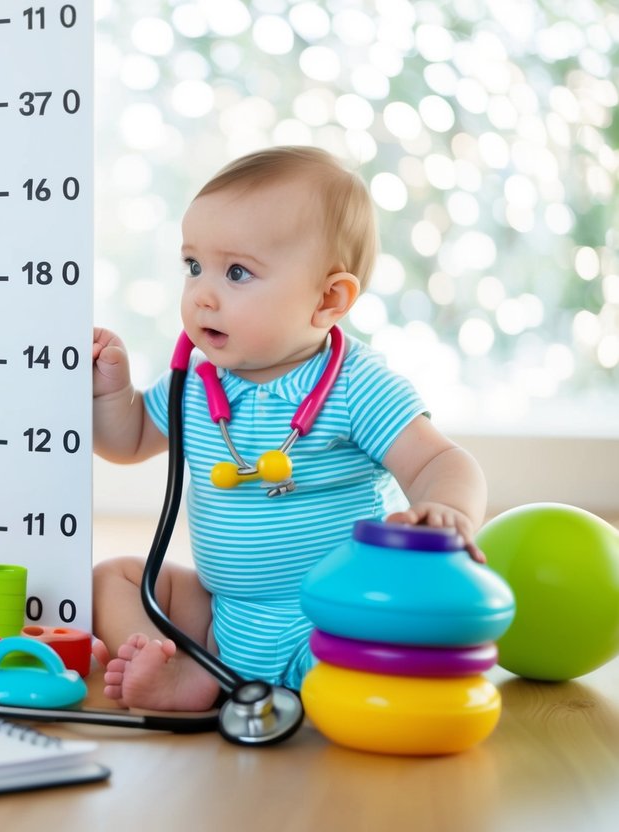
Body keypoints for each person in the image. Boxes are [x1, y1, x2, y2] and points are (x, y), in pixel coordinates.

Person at [91, 146, 487, 712]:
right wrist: (113, 392)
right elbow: (127, 439)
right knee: (115, 578)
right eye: (192, 266)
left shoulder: (355, 385)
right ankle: (179, 663)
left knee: (393, 641)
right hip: (223, 615)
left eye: (236, 272)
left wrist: (447, 512)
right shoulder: (198, 381)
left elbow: (439, 463)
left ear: (328, 300)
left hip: (331, 618)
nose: (202, 293)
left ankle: (299, 685)